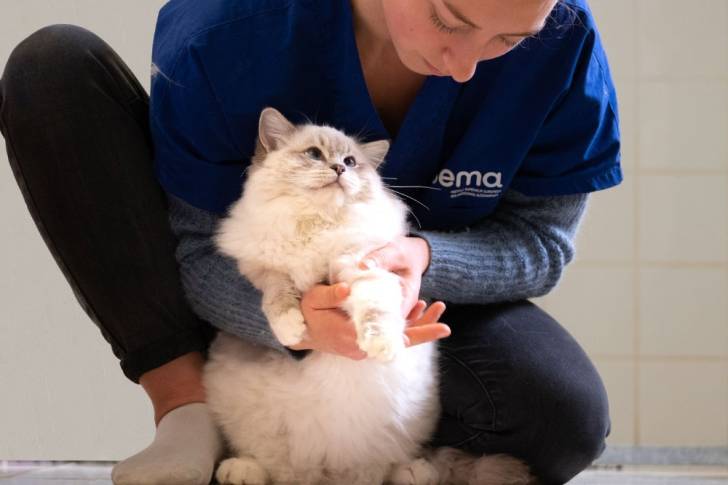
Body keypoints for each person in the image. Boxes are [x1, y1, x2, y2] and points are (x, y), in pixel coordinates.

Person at [0, 0, 620, 483]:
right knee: (52, 68)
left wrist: (423, 259)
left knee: (560, 421)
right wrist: (294, 317)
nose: (465, 68)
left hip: (410, 315)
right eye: (447, 20)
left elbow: (542, 244)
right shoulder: (226, 27)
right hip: (242, 299)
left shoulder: (562, 41)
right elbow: (199, 250)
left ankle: (373, 450)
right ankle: (186, 405)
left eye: (509, 41)